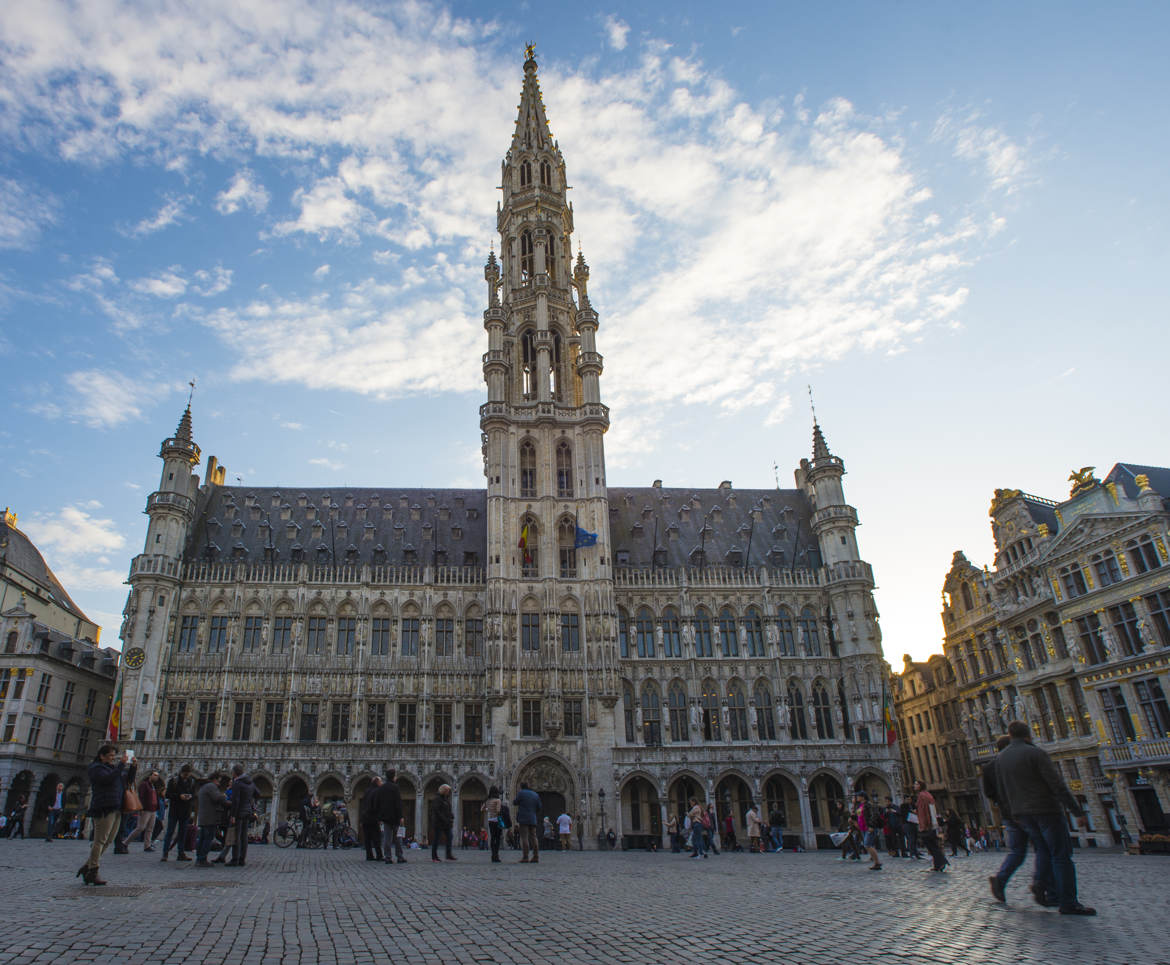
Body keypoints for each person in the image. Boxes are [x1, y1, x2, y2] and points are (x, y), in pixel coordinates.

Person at [995, 720, 1096, 915]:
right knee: (1061, 855)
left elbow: (1002, 791)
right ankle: (1067, 901)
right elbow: (1056, 784)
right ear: (1028, 735)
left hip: (1022, 814)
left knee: (1043, 850)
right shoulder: (1035, 753)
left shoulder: (1001, 758)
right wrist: (1077, 811)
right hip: (1045, 810)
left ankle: (1043, 884)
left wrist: (1012, 813)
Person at [78, 744, 128, 885]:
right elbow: (107, 780)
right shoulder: (96, 768)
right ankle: (93, 871)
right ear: (102, 756)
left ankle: (87, 867)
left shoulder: (111, 768)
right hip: (104, 807)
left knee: (108, 840)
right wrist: (121, 766)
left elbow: (122, 781)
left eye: (114, 755)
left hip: (116, 806)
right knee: (100, 841)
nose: (113, 758)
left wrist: (132, 767)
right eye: (111, 755)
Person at [161, 764, 196, 862]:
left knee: (182, 833)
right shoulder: (174, 781)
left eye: (188, 774)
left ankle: (181, 853)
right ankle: (165, 853)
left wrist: (190, 797)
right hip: (175, 810)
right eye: (185, 774)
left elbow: (194, 795)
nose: (186, 776)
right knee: (170, 832)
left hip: (185, 811)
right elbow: (168, 794)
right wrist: (179, 796)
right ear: (181, 772)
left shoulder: (192, 782)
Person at [195, 773, 229, 867]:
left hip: (204, 817)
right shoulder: (211, 786)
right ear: (214, 779)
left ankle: (199, 858)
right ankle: (202, 859)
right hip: (209, 818)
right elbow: (217, 798)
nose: (219, 783)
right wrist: (224, 796)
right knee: (207, 839)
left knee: (203, 838)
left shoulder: (205, 787)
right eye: (218, 780)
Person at [913, 779, 948, 872]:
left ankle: (941, 861)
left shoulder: (921, 796)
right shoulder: (928, 794)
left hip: (927, 824)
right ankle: (938, 864)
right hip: (932, 823)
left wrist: (923, 825)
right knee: (933, 845)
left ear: (920, 786)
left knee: (930, 845)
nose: (914, 785)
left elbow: (923, 811)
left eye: (916, 784)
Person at [122, 771, 161, 851]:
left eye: (157, 776)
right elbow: (141, 796)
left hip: (153, 810)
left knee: (150, 828)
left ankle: (147, 846)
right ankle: (125, 843)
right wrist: (141, 808)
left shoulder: (153, 786)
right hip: (145, 809)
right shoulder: (144, 784)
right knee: (140, 828)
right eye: (154, 775)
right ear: (150, 775)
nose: (156, 777)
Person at [228, 764, 255, 867]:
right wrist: (249, 801)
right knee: (244, 836)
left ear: (234, 773)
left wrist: (233, 815)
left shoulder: (237, 783)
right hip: (247, 811)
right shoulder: (250, 782)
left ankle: (235, 859)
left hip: (239, 812)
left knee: (237, 835)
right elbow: (258, 793)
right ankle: (242, 859)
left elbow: (236, 800)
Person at [513, 782, 541, 863]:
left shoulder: (521, 793)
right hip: (533, 818)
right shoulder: (535, 794)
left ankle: (525, 857)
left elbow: (515, 802)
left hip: (523, 818)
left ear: (521, 787)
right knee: (534, 837)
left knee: (524, 837)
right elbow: (539, 807)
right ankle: (536, 856)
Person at [853, 791, 882, 871]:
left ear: (863, 797)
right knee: (869, 845)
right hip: (862, 828)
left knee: (867, 845)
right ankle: (875, 861)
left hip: (869, 827)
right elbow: (858, 815)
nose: (857, 797)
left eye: (858, 796)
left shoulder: (869, 805)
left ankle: (877, 862)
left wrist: (872, 826)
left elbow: (874, 815)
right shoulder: (859, 805)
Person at [429, 784, 455, 862]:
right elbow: (437, 811)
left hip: (446, 823)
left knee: (450, 837)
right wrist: (444, 819)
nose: (449, 792)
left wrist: (451, 815)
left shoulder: (446, 799)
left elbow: (448, 810)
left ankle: (448, 855)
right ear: (444, 790)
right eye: (447, 791)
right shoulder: (437, 799)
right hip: (439, 822)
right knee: (436, 839)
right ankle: (434, 856)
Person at [360, 776, 383, 861]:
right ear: (377, 782)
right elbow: (377, 805)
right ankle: (379, 855)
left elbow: (363, 804)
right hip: (373, 817)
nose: (382, 783)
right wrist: (379, 817)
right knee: (376, 837)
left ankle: (369, 855)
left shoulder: (367, 790)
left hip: (365, 817)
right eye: (380, 781)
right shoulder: (378, 791)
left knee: (367, 838)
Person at [482, 785, 503, 862]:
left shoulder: (487, 801)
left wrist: (488, 809)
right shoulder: (498, 800)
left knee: (492, 838)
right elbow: (498, 811)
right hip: (497, 820)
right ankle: (496, 855)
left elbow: (482, 809)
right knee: (497, 839)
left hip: (490, 820)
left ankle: (492, 854)